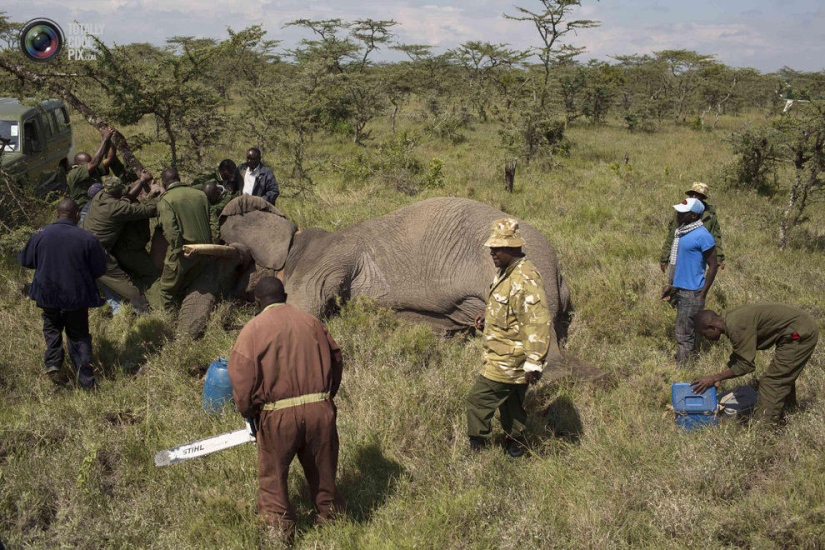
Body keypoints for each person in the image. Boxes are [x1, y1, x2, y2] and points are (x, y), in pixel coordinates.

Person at [227, 277, 345, 541]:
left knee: (273, 479)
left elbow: (241, 377)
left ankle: (279, 532)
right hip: (319, 409)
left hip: (277, 414)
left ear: (257, 302)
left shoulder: (252, 330)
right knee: (323, 471)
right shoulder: (312, 323)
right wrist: (326, 397)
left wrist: (249, 413)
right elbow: (336, 359)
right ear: (286, 295)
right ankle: (333, 522)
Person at [467, 218, 552, 458]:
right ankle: (516, 448)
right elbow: (511, 308)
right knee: (511, 406)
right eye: (491, 248)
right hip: (505, 355)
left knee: (477, 401)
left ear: (513, 247)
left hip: (508, 360)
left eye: (497, 248)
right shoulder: (506, 271)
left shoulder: (525, 279)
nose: (492, 252)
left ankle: (477, 449)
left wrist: (534, 361)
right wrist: (488, 315)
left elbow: (538, 321)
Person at [17, 198, 107, 389]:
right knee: (79, 335)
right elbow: (100, 269)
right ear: (76, 215)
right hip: (76, 297)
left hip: (47, 295)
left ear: (57, 214)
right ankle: (86, 382)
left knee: (51, 326)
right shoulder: (87, 238)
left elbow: (25, 261)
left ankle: (53, 362)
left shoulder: (39, 234)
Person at [691, 305, 819, 424]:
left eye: (704, 334)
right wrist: (719, 377)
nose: (705, 338)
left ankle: (765, 431)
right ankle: (789, 410)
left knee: (771, 382)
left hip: (799, 333)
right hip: (795, 328)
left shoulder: (735, 326)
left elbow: (745, 365)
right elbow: (739, 356)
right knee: (782, 374)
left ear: (712, 327)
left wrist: (715, 377)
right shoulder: (729, 319)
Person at [81, 172, 159, 312]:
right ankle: (141, 311)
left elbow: (125, 197)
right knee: (124, 283)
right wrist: (156, 195)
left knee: (106, 282)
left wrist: (141, 182)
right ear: (117, 192)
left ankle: (118, 306)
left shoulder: (100, 196)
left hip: (82, 246)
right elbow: (148, 210)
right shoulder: (117, 208)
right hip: (97, 253)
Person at [661, 197, 719, 366]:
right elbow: (678, 263)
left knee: (684, 333)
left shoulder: (703, 236)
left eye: (683, 213)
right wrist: (669, 285)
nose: (678, 214)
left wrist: (703, 293)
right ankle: (686, 360)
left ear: (694, 216)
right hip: (680, 288)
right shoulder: (681, 233)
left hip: (692, 291)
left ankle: (684, 368)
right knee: (684, 329)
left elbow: (713, 265)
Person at [146, 168, 212, 311]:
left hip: (183, 252)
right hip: (205, 253)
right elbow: (213, 224)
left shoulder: (166, 200)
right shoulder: (201, 195)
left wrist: (180, 251)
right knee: (188, 286)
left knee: (165, 291)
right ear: (179, 177)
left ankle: (166, 319)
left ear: (163, 182)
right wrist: (209, 245)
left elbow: (171, 231)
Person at [660, 182, 725, 272]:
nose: (694, 197)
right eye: (692, 194)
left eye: (698, 195)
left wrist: (719, 257)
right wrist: (664, 257)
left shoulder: (710, 214)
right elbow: (673, 234)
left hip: (700, 253)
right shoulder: (683, 211)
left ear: (703, 198)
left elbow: (715, 235)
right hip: (683, 251)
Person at [66, 128, 117, 209]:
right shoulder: (74, 174)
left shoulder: (93, 169)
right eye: (87, 164)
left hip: (97, 204)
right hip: (84, 209)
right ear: (78, 165)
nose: (90, 166)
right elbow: (94, 163)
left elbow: (109, 159)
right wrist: (104, 139)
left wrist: (111, 141)